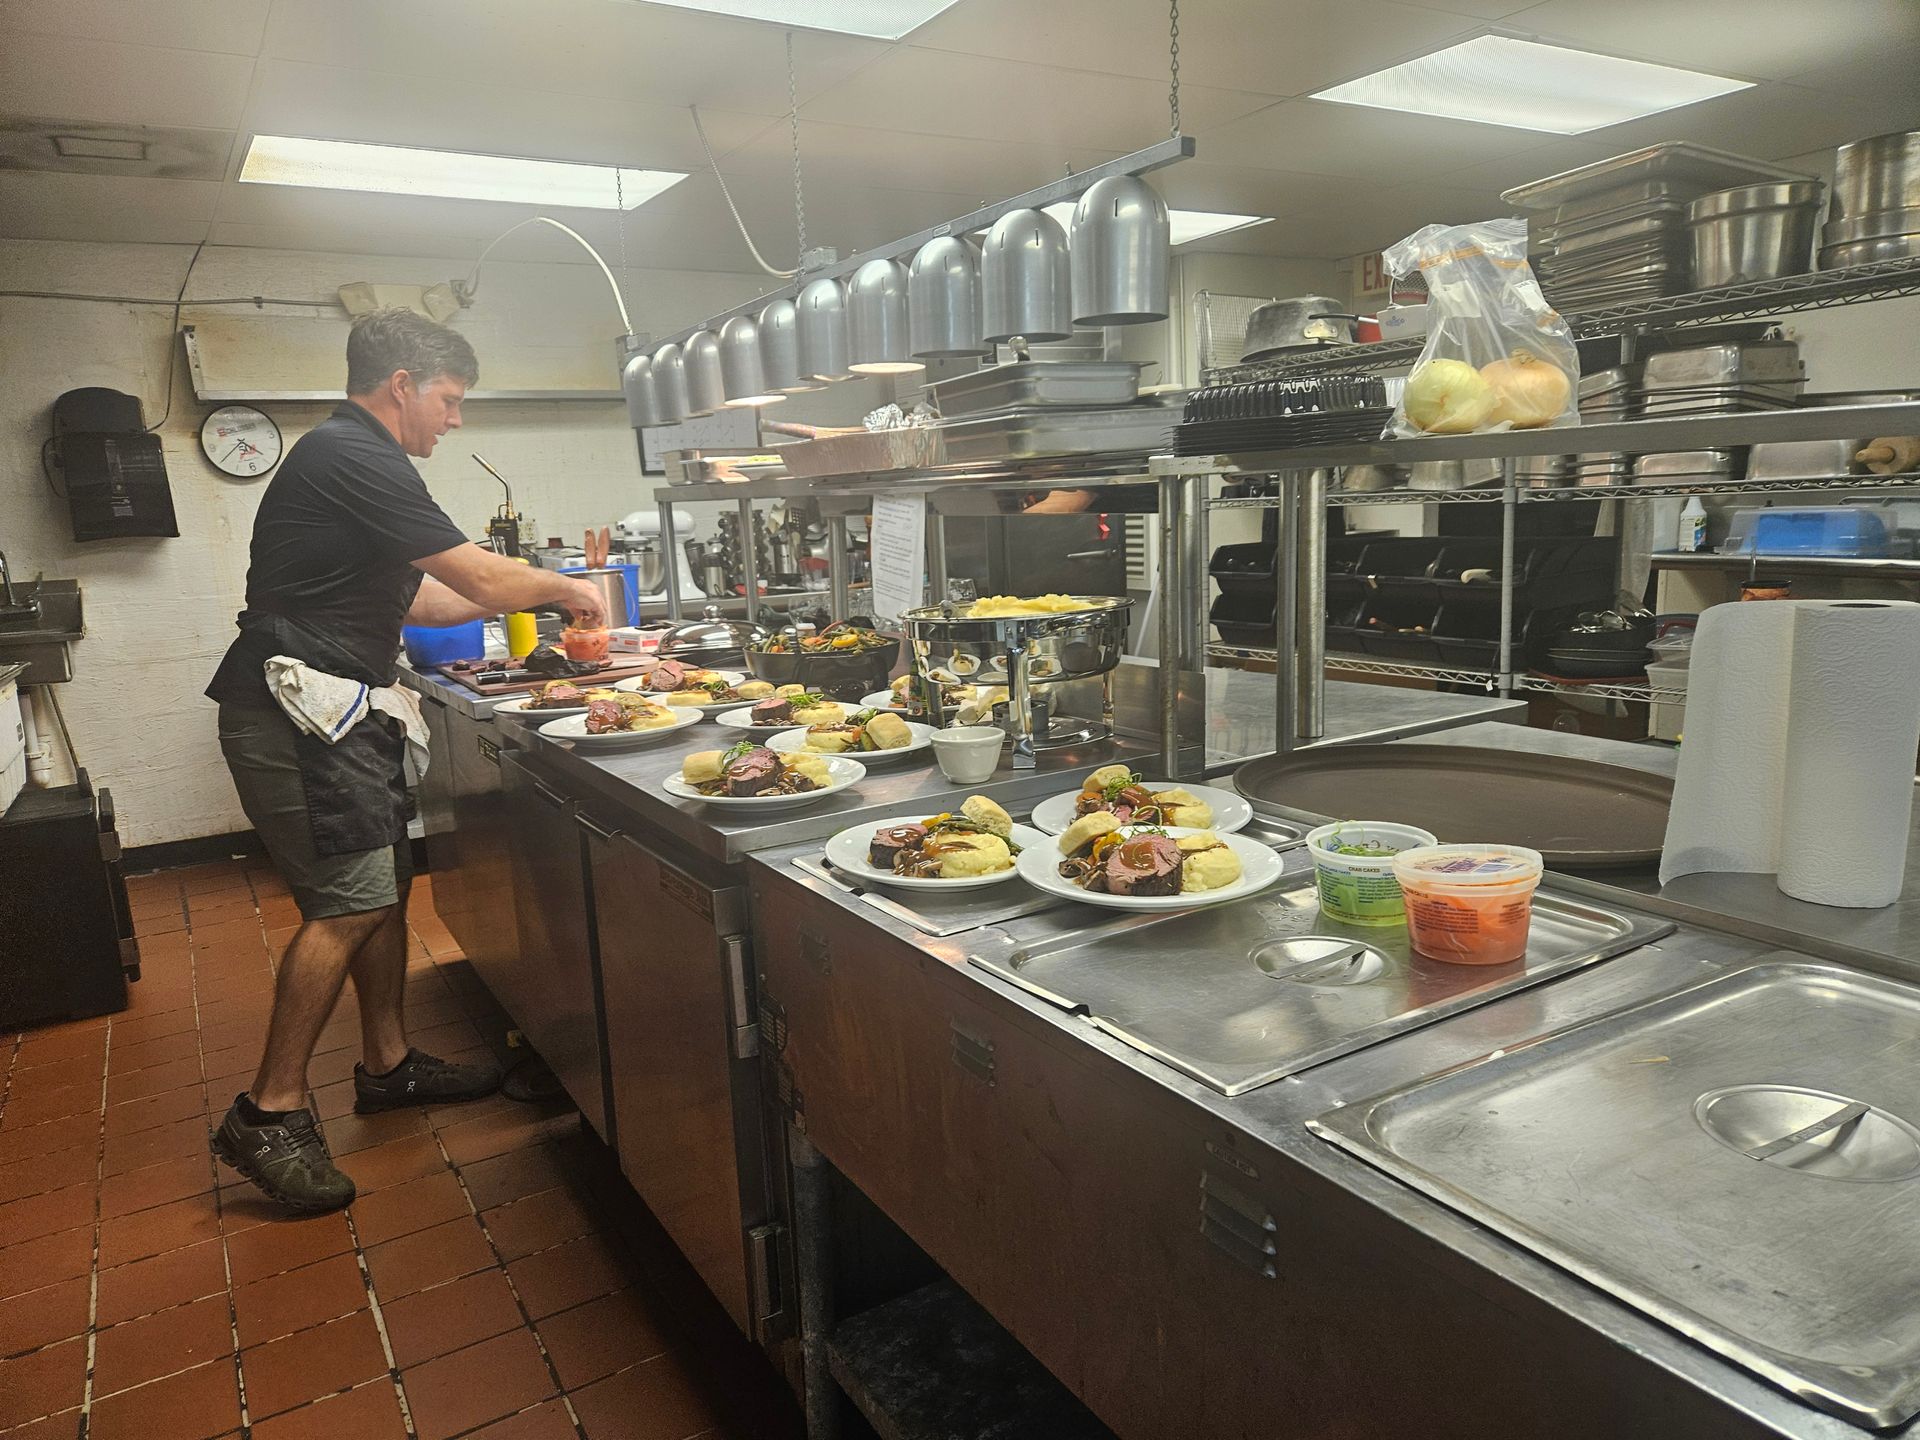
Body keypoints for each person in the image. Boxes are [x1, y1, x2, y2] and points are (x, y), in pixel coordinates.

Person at [205, 308, 607, 1212]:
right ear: (401, 387)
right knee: (346, 906)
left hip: (341, 709)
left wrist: (526, 611)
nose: (454, 419)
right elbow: (481, 579)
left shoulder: (349, 461)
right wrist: (574, 589)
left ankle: (387, 1065)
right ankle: (265, 1113)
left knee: (381, 886)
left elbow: (423, 599)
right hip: (298, 712)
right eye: (450, 399)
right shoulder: (355, 453)